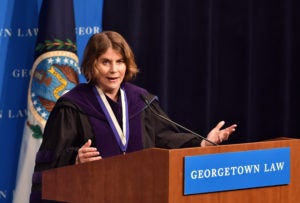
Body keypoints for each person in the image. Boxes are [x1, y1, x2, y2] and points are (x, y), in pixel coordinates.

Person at [30, 31, 237, 202]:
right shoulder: (73, 105)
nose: (114, 70)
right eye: (105, 62)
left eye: (120, 62)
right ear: (92, 64)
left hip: (142, 194)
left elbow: (164, 139)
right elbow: (49, 160)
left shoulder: (140, 100)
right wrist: (74, 158)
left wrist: (203, 144)